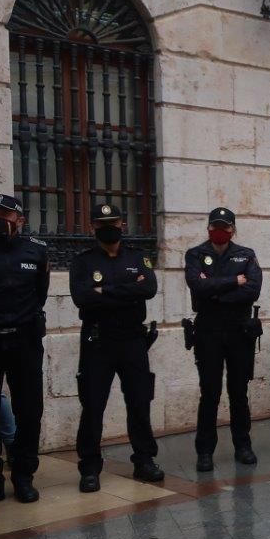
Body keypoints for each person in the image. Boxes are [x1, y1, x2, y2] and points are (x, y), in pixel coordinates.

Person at [70, 203, 165, 491]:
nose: (108, 227)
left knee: (139, 402)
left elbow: (148, 288)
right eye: (101, 224)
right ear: (93, 228)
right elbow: (82, 298)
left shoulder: (138, 257)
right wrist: (126, 289)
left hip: (133, 341)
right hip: (97, 342)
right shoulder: (82, 262)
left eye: (113, 222)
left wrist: (105, 291)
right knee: (93, 406)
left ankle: (144, 460)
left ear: (123, 225)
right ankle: (89, 468)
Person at [0, 194, 48, 510]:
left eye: (4, 213)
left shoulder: (37, 252)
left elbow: (39, 296)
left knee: (29, 411)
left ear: (20, 219)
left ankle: (23, 476)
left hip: (24, 342)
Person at [185, 207, 263, 472]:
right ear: (208, 228)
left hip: (239, 331)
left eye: (225, 227)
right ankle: (205, 451)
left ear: (233, 230)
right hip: (208, 332)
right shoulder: (196, 254)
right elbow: (197, 286)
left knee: (239, 391)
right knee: (210, 392)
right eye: (215, 226)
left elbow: (252, 290)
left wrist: (216, 292)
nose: (220, 231)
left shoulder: (246, 255)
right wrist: (233, 281)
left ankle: (243, 445)